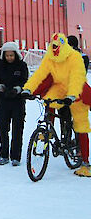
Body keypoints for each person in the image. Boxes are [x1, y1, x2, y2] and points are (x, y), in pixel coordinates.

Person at [22, 33, 91, 177]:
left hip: (77, 90)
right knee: (49, 100)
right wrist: (29, 89)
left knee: (80, 124)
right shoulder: (50, 57)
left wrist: (71, 96)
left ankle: (85, 163)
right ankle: (47, 131)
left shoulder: (75, 57)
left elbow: (77, 77)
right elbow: (41, 74)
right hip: (59, 87)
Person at [0, 41, 28, 166]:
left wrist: (18, 89)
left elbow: (25, 80)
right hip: (4, 100)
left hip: (18, 101)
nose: (9, 58)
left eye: (11, 55)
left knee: (17, 128)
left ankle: (16, 156)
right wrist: (0, 87)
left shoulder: (22, 66)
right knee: (3, 127)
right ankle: (4, 154)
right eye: (7, 55)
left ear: (16, 54)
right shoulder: (1, 66)